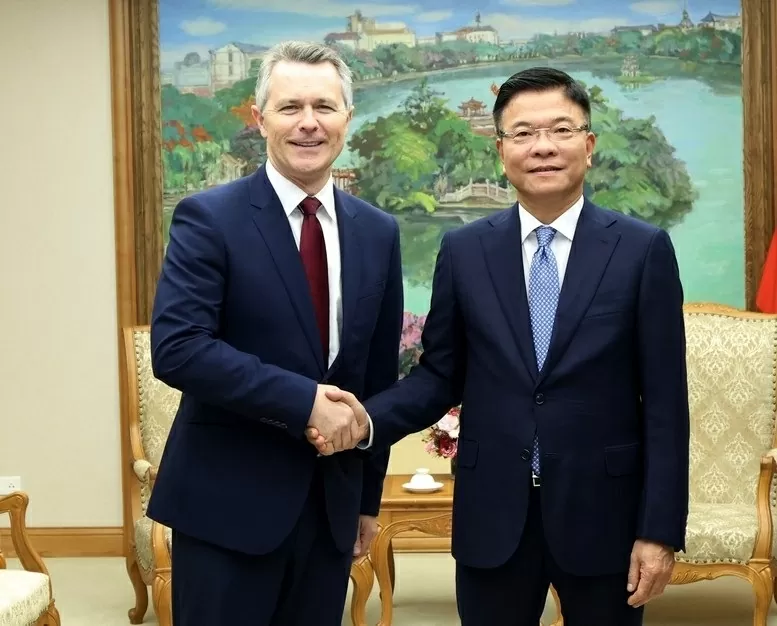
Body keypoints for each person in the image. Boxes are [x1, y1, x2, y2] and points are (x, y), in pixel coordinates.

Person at [310, 67, 690, 625]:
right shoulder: (465, 251)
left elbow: (664, 406)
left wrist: (658, 531)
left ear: (588, 145)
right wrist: (364, 419)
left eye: (560, 130)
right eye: (523, 133)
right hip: (493, 515)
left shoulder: (641, 250)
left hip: (603, 516)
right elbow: (440, 374)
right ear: (500, 149)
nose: (542, 147)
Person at [147, 41, 404, 625]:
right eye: (290, 108)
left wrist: (366, 501)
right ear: (259, 119)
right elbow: (178, 348)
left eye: (324, 106)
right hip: (225, 511)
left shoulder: (378, 233)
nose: (308, 123)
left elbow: (376, 379)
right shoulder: (208, 218)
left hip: (330, 511)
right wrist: (305, 401)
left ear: (347, 118)